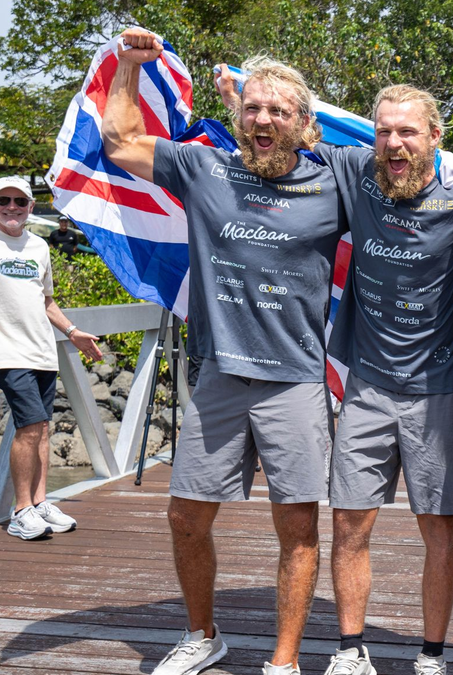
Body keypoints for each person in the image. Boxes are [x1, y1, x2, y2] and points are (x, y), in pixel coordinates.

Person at [102, 29, 344, 675]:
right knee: (185, 516)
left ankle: (285, 659)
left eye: (278, 111)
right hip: (219, 374)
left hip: (294, 379)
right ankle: (203, 633)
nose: (264, 119)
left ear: (305, 125)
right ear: (238, 116)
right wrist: (128, 64)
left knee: (297, 529)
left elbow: (414, 190)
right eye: (254, 109)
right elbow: (121, 140)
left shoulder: (335, 182)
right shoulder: (202, 167)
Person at [312, 85, 453, 675]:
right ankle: (351, 649)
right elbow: (290, 134)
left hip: (439, 393)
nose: (394, 142)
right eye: (384, 131)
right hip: (368, 388)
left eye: (407, 131)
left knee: (438, 529)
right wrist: (235, 88)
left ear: (436, 137)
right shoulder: (358, 173)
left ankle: (430, 655)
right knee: (349, 522)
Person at [0, 176, 102, 542]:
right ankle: (20, 511)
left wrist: (71, 331)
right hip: (3, 350)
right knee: (30, 425)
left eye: (20, 202)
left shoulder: (39, 246)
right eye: (3, 200)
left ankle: (38, 502)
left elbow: (46, 300)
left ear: (31, 208)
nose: (11, 208)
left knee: (43, 428)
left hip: (41, 348)